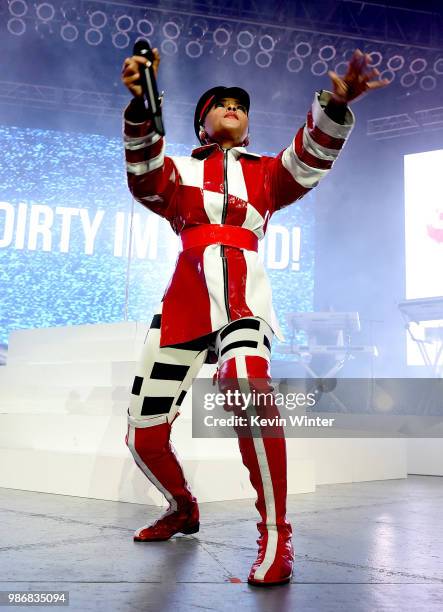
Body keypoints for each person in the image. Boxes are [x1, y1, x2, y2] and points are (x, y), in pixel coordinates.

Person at [121, 48, 389, 586]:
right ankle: (182, 507)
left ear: (247, 126)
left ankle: (275, 532)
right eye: (219, 104)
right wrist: (143, 110)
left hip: (244, 302)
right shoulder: (179, 169)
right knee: (143, 436)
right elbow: (144, 177)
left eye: (240, 106)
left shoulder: (266, 174)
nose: (232, 108)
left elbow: (309, 158)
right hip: (183, 305)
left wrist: (335, 106)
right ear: (203, 122)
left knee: (247, 385)